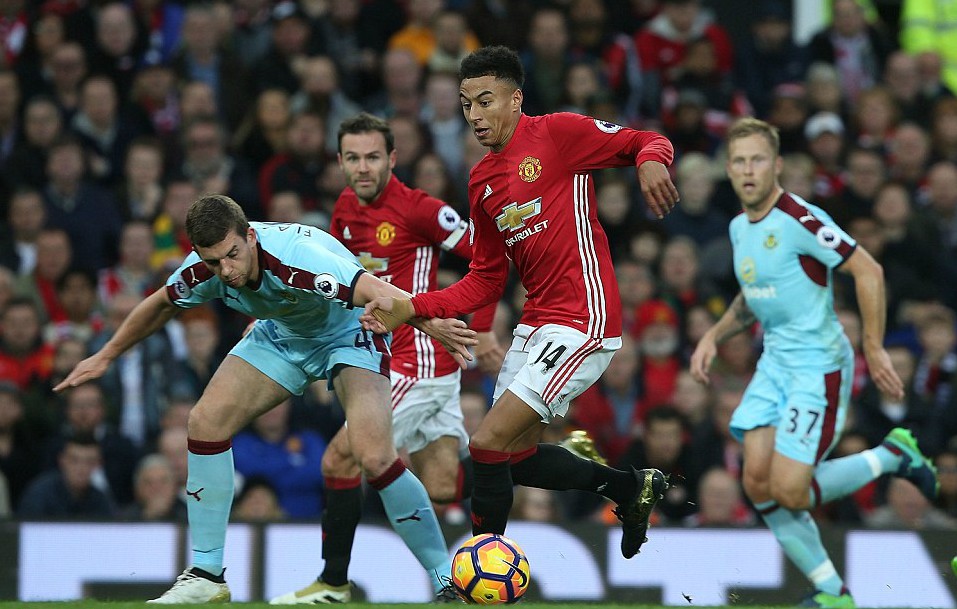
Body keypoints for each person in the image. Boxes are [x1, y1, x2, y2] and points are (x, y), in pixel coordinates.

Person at [53, 194, 477, 604]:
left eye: (232, 254)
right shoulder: (205, 269)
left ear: (250, 236)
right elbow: (162, 303)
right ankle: (206, 575)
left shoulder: (298, 257)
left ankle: (444, 578)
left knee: (373, 454)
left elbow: (376, 289)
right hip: (281, 334)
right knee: (205, 422)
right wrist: (107, 354)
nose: (226, 270)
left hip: (348, 334)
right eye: (213, 261)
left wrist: (435, 325)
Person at [363, 45, 679, 559]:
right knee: (512, 457)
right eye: (466, 104)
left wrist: (648, 162)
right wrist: (415, 307)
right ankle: (629, 488)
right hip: (535, 325)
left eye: (485, 101)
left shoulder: (556, 134)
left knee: (485, 443)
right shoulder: (481, 179)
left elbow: (647, 138)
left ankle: (482, 570)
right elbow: (485, 278)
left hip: (584, 319)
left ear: (515, 99)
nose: (475, 115)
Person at [690, 117, 939, 609]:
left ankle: (894, 455)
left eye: (757, 159)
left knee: (791, 491)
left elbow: (868, 269)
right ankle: (832, 592)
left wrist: (872, 345)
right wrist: (713, 337)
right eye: (738, 161)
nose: (747, 170)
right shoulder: (740, 226)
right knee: (757, 484)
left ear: (777, 165)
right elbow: (753, 295)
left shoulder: (799, 219)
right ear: (728, 169)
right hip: (775, 364)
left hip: (817, 367)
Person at [271, 112, 501, 604]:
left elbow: (490, 257)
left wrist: (482, 329)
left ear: (393, 159)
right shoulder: (343, 211)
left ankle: (333, 583)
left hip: (413, 360)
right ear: (339, 161)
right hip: (397, 361)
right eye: (352, 158)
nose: (363, 167)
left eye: (373, 156)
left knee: (341, 457)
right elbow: (333, 289)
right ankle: (531, 463)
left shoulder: (421, 210)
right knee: (442, 485)